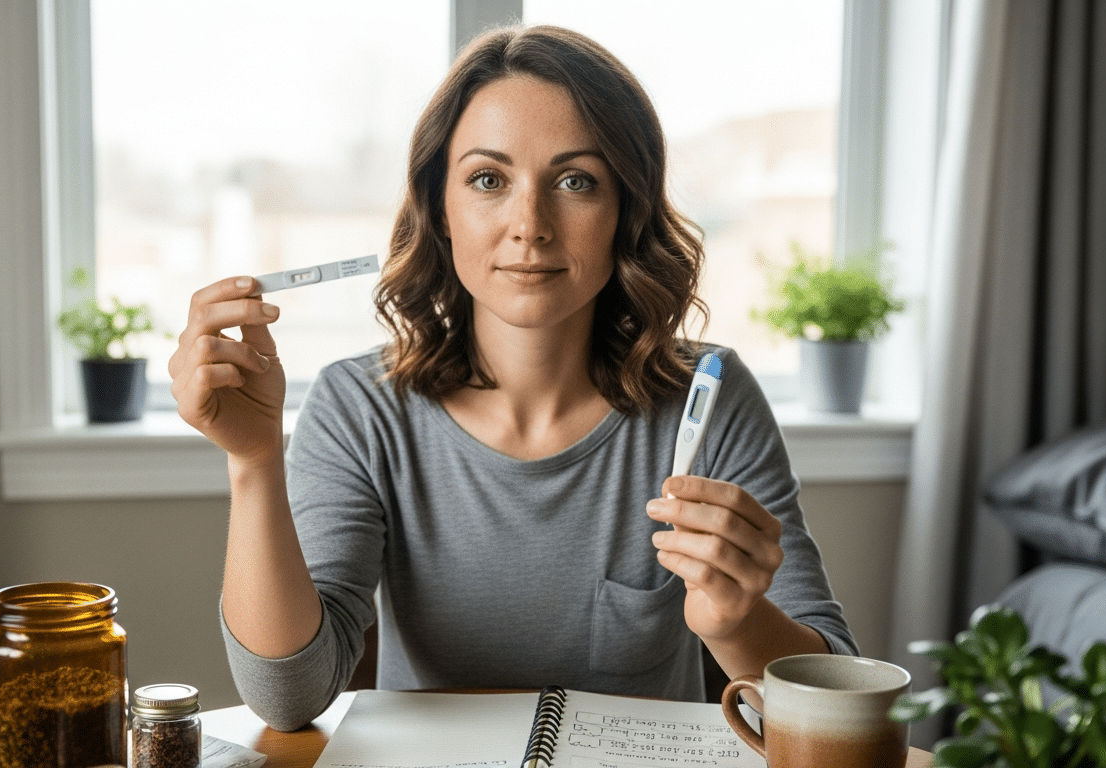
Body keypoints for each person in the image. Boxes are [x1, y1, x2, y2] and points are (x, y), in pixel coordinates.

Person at [169, 24, 856, 732]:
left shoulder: (708, 399)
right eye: (489, 180)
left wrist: (738, 622)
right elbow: (288, 701)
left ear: (626, 209)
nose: (530, 225)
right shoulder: (360, 409)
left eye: (575, 181)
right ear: (441, 208)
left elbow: (835, 712)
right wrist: (253, 463)